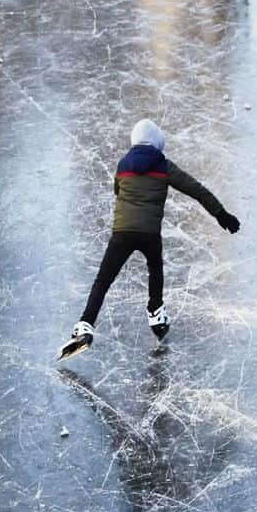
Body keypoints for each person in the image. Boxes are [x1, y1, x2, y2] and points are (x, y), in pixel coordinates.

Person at [59, 119, 241, 358]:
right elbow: (197, 190)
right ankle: (156, 313)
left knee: (103, 280)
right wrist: (221, 214)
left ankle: (85, 326)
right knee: (155, 270)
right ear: (158, 142)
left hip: (121, 233)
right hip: (149, 235)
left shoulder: (123, 164)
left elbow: (118, 190)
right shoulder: (163, 166)